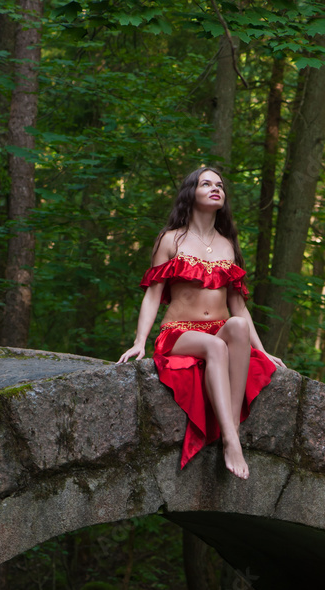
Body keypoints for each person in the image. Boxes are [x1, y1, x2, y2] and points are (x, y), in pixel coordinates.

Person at [117, 167, 284, 480]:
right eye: (206, 183)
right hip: (178, 334)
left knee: (236, 327)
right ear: (190, 192)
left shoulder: (228, 246)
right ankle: (231, 441)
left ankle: (229, 430)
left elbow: (239, 308)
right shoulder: (170, 240)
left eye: (219, 185)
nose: (215, 188)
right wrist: (140, 341)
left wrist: (263, 351)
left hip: (218, 331)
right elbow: (153, 296)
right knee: (215, 345)